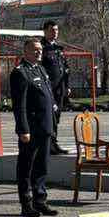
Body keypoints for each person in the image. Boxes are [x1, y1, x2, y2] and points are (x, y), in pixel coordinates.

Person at [9, 37, 55, 215]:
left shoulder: (40, 69)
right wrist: (23, 129)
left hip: (45, 126)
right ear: (25, 51)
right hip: (31, 128)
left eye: (40, 50)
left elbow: (48, 97)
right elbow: (19, 105)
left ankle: (40, 199)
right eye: (35, 49)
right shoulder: (20, 72)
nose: (39, 52)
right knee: (26, 167)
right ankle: (26, 203)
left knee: (42, 166)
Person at [39, 21, 71, 153]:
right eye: (52, 30)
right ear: (45, 31)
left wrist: (67, 86)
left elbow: (65, 69)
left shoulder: (58, 48)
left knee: (56, 117)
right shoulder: (41, 48)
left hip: (59, 89)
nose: (55, 32)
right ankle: (48, 144)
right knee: (49, 117)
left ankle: (53, 143)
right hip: (48, 89)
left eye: (57, 30)